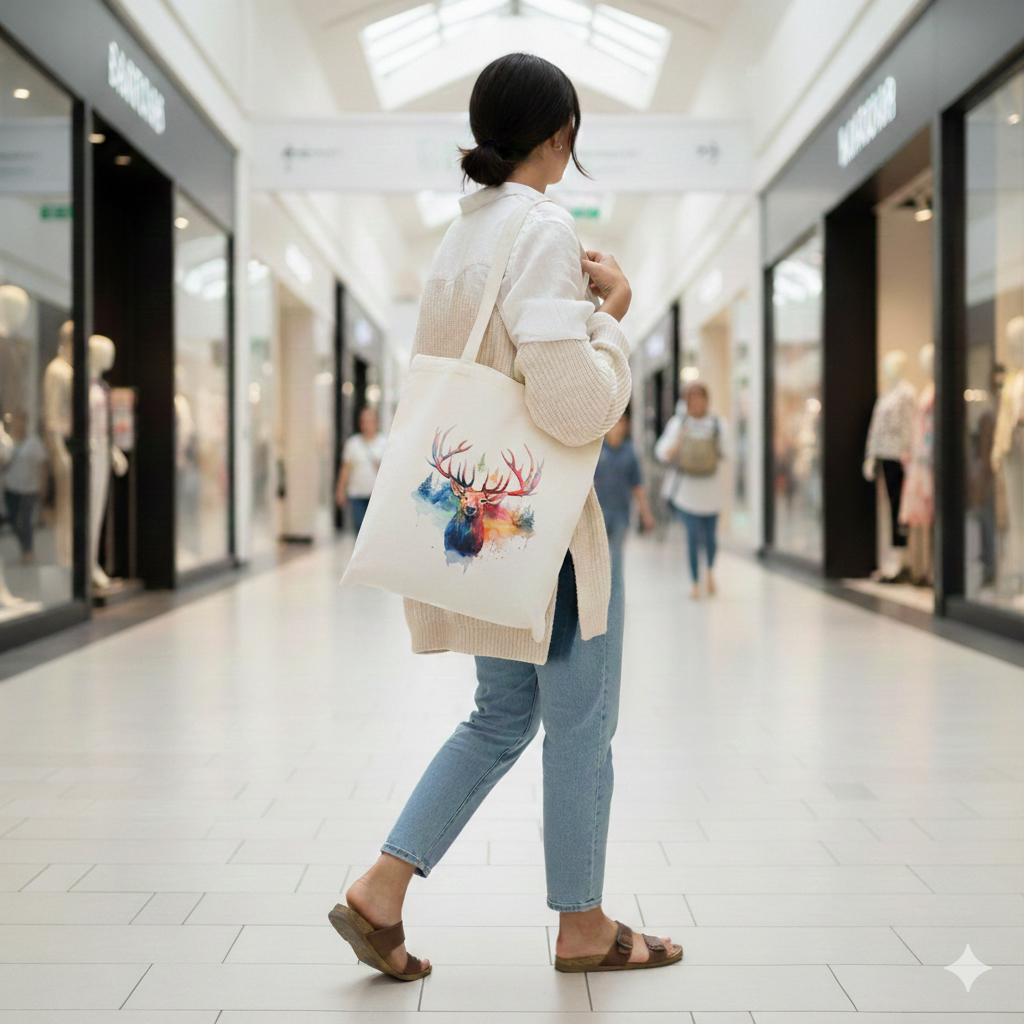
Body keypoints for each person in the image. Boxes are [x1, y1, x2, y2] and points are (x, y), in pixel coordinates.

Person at [328, 53, 681, 980]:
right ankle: (585, 925)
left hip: (482, 520)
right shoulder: (542, 227)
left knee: (500, 715)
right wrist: (616, 315)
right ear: (559, 135)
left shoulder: (461, 235)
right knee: (580, 722)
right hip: (543, 533)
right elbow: (575, 407)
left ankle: (381, 889)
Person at [655, 381, 728, 599]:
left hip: (711, 491)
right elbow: (661, 452)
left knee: (711, 540)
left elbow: (727, 452)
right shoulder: (679, 423)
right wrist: (678, 442)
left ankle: (710, 571)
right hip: (687, 492)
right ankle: (695, 581)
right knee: (693, 537)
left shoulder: (718, 424)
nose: (696, 403)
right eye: (692, 399)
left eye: (700, 398)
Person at [594, 410, 655, 583]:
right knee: (597, 562)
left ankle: (616, 605)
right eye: (615, 421)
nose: (618, 426)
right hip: (598, 515)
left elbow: (637, 487)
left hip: (620, 514)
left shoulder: (629, 452)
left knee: (616, 562)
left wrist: (646, 515)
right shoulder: (596, 450)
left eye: (622, 421)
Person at [3, 413, 48, 564]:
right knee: (14, 519)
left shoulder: (33, 442)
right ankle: (23, 547)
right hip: (11, 487)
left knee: (25, 520)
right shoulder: (8, 441)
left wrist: (43, 484)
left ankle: (28, 550)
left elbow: (43, 464)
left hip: (30, 488)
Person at [335, 406, 386, 533]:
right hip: (356, 494)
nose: (367, 424)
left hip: (377, 495)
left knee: (374, 530)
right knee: (359, 526)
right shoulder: (353, 443)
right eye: (364, 421)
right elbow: (345, 468)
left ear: (376, 422)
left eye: (370, 421)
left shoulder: (384, 443)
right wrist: (340, 490)